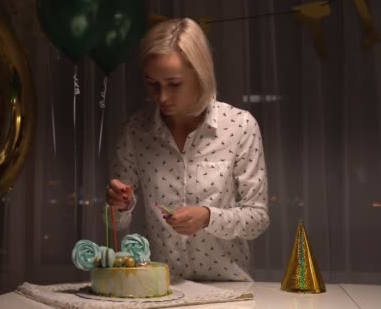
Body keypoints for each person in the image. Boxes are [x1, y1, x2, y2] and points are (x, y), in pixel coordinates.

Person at [106, 18, 269, 281]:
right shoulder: (136, 131)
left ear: (200, 74)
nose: (162, 97)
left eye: (174, 84)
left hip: (226, 290)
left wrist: (208, 218)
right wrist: (118, 206)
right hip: (159, 289)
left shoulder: (240, 126)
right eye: (153, 84)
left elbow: (258, 218)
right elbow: (115, 224)